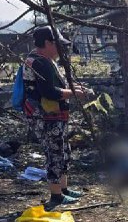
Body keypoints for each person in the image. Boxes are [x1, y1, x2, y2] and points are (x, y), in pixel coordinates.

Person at [22, 26, 93, 210]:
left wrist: (75, 88)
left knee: (62, 149)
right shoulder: (39, 62)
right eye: (57, 44)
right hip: (46, 117)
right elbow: (49, 92)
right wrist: (74, 93)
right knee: (54, 152)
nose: (60, 48)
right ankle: (56, 195)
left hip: (54, 115)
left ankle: (63, 188)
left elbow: (57, 83)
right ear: (47, 43)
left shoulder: (45, 60)